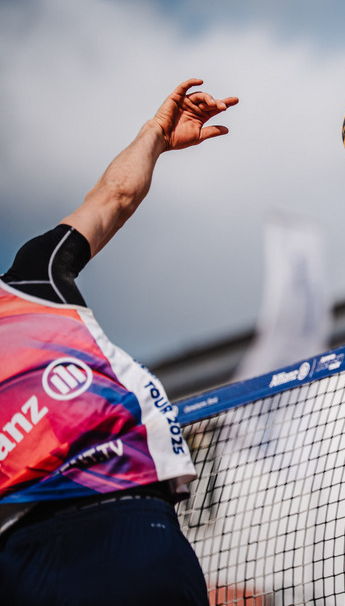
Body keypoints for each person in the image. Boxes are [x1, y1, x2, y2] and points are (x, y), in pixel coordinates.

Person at [0, 78, 239, 605]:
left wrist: (157, 132)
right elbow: (115, 198)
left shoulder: (30, 280)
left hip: (25, 560)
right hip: (126, 527)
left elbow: (115, 197)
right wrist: (155, 132)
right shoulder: (26, 284)